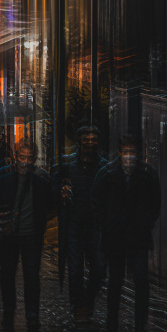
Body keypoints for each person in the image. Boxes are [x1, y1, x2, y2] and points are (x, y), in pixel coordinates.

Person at [0, 141, 55, 332]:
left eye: (30, 158)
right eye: (22, 157)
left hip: (32, 237)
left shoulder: (42, 180)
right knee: (7, 276)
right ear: (16, 156)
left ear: (34, 159)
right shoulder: (2, 176)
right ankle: (8, 311)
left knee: (32, 277)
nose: (25, 161)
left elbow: (52, 204)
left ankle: (32, 315)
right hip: (9, 237)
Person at [92, 134, 161, 332]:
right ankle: (112, 321)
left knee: (140, 279)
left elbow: (155, 203)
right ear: (120, 152)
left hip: (138, 236)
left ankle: (140, 322)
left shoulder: (147, 174)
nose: (129, 156)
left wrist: (146, 222)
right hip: (115, 235)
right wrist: (105, 223)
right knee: (115, 281)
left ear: (137, 153)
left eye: (132, 152)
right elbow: (97, 201)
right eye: (126, 152)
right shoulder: (108, 173)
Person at [53, 124, 107, 322]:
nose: (90, 144)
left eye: (93, 140)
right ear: (79, 143)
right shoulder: (67, 166)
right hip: (74, 225)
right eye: (86, 140)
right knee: (75, 268)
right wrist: (61, 192)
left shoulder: (104, 167)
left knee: (100, 267)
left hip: (96, 225)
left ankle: (88, 300)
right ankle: (79, 306)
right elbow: (53, 194)